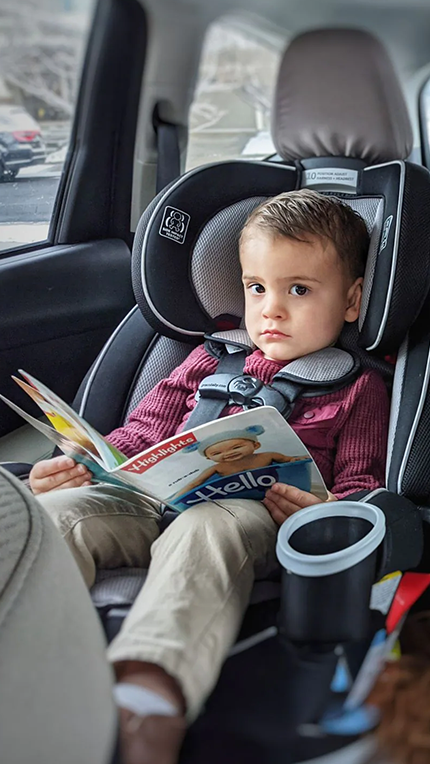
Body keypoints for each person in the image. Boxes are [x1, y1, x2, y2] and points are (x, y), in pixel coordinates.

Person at [29, 190, 389, 764]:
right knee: (58, 515)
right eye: (256, 287)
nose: (271, 309)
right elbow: (142, 432)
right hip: (150, 501)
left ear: (351, 301)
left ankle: (146, 699)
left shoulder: (358, 387)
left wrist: (321, 514)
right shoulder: (209, 357)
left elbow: (360, 485)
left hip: (255, 518)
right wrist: (90, 462)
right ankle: (20, 651)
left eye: (299, 289)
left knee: (206, 528)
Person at [179, 425, 309, 494]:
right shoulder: (217, 468)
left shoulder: (268, 456)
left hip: (275, 490)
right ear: (209, 458)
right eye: (217, 453)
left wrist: (297, 459)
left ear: (256, 445)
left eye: (236, 447)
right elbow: (195, 483)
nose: (228, 453)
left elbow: (288, 460)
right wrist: (177, 498)